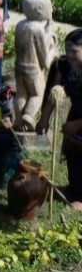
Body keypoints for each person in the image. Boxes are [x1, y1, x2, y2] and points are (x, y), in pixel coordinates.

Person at [38, 29, 82, 208]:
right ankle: (75, 188)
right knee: (73, 148)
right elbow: (53, 92)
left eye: (74, 51)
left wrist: (77, 125)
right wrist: (44, 118)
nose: (69, 54)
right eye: (67, 50)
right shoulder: (64, 65)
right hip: (78, 111)